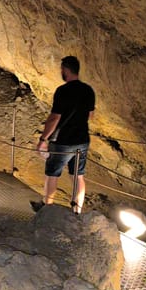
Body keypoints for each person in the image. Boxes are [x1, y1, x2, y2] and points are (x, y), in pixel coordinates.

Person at [33, 56, 95, 214]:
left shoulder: (63, 91)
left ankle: (47, 209)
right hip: (82, 140)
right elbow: (90, 115)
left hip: (63, 141)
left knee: (52, 173)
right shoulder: (88, 90)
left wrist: (43, 139)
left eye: (62, 69)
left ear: (66, 70)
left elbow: (55, 118)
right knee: (78, 176)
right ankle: (77, 211)